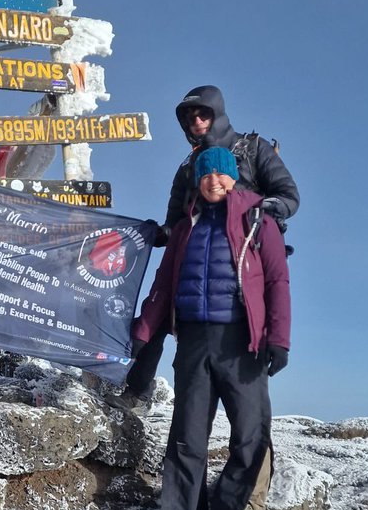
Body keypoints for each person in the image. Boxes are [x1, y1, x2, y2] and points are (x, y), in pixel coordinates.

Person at [131, 146, 291, 510]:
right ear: (198, 182)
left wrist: (279, 338)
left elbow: (277, 281)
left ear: (233, 177)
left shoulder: (258, 219)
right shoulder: (186, 227)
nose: (213, 182)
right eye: (205, 176)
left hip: (242, 341)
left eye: (220, 175)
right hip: (193, 341)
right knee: (187, 432)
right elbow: (164, 284)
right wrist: (144, 331)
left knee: (250, 432)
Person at [123, 84, 299, 409]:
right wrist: (154, 233)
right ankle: (135, 392)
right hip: (193, 257)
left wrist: (264, 209)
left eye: (203, 113)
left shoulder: (253, 148)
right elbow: (175, 222)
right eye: (189, 117)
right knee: (154, 318)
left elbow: (289, 196)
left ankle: (250, 437)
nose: (196, 121)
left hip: (242, 260)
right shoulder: (187, 168)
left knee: (241, 349)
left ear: (218, 114)